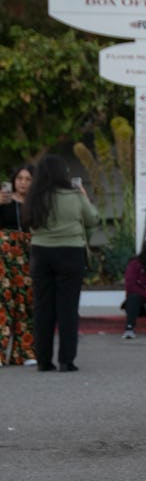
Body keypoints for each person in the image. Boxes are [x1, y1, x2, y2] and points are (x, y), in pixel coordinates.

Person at [22, 155, 100, 373]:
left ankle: (43, 360)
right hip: (70, 252)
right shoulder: (74, 195)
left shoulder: (34, 197)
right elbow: (93, 219)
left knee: (42, 308)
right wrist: (84, 196)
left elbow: (27, 222)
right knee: (68, 308)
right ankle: (66, 360)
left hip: (40, 252)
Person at [0, 163, 36, 365]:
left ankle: (24, 351)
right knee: (3, 302)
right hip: (4, 256)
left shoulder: (36, 203)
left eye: (28, 179)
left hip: (27, 255)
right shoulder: (4, 200)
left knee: (25, 301)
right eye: (20, 179)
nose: (23, 183)